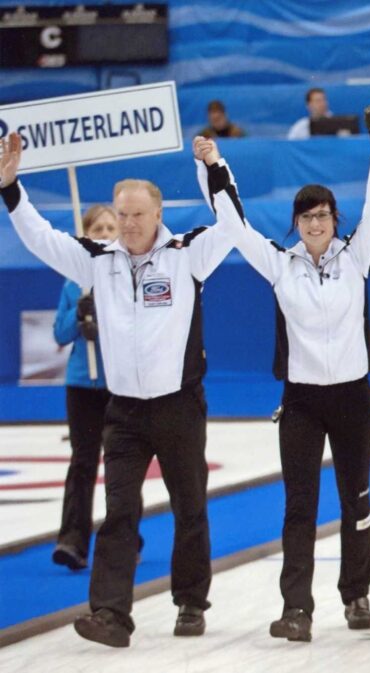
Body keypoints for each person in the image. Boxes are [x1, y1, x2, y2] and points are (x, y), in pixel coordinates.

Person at [0, 132, 237, 648]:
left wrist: (213, 167)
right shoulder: (96, 259)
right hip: (123, 411)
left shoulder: (187, 255)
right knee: (119, 511)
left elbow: (234, 223)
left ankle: (191, 601)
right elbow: (40, 238)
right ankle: (110, 613)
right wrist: (11, 187)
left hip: (179, 406)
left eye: (137, 214)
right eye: (121, 214)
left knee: (189, 504)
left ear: (158, 214)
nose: (128, 223)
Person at [192, 100, 370, 642]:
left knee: (357, 498)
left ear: (335, 219)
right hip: (303, 403)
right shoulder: (279, 266)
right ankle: (297, 609)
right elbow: (233, 224)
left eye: (323, 215)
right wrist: (212, 167)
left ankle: (357, 595)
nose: (314, 224)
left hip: (354, 398)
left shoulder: (356, 257)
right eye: (306, 217)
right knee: (299, 507)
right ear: (296, 224)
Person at [51, 205, 120, 571]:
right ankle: (73, 541)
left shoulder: (126, 274)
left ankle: (126, 534)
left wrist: (105, 323)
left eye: (111, 227)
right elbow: (59, 334)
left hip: (119, 384)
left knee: (121, 463)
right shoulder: (72, 280)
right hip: (81, 385)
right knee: (82, 462)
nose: (105, 233)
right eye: (98, 228)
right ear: (86, 234)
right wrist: (78, 316)